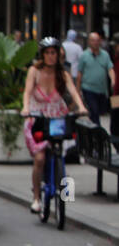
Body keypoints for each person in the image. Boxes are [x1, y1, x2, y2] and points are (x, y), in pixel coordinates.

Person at [21, 37, 87, 213]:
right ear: (43, 55)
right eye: (48, 53)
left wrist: (81, 107)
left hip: (58, 118)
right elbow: (27, 92)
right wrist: (26, 108)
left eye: (54, 53)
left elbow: (73, 92)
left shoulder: (63, 74)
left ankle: (65, 195)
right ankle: (36, 197)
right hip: (39, 118)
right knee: (40, 158)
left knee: (62, 156)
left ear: (58, 55)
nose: (51, 56)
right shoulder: (34, 71)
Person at [77, 32, 116, 130]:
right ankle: (97, 131)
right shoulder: (84, 55)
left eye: (98, 40)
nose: (96, 43)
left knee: (100, 111)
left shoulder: (105, 55)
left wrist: (113, 80)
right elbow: (79, 74)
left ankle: (93, 129)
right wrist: (77, 90)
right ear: (89, 42)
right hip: (88, 88)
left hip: (102, 90)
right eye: (93, 40)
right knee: (94, 111)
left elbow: (110, 68)